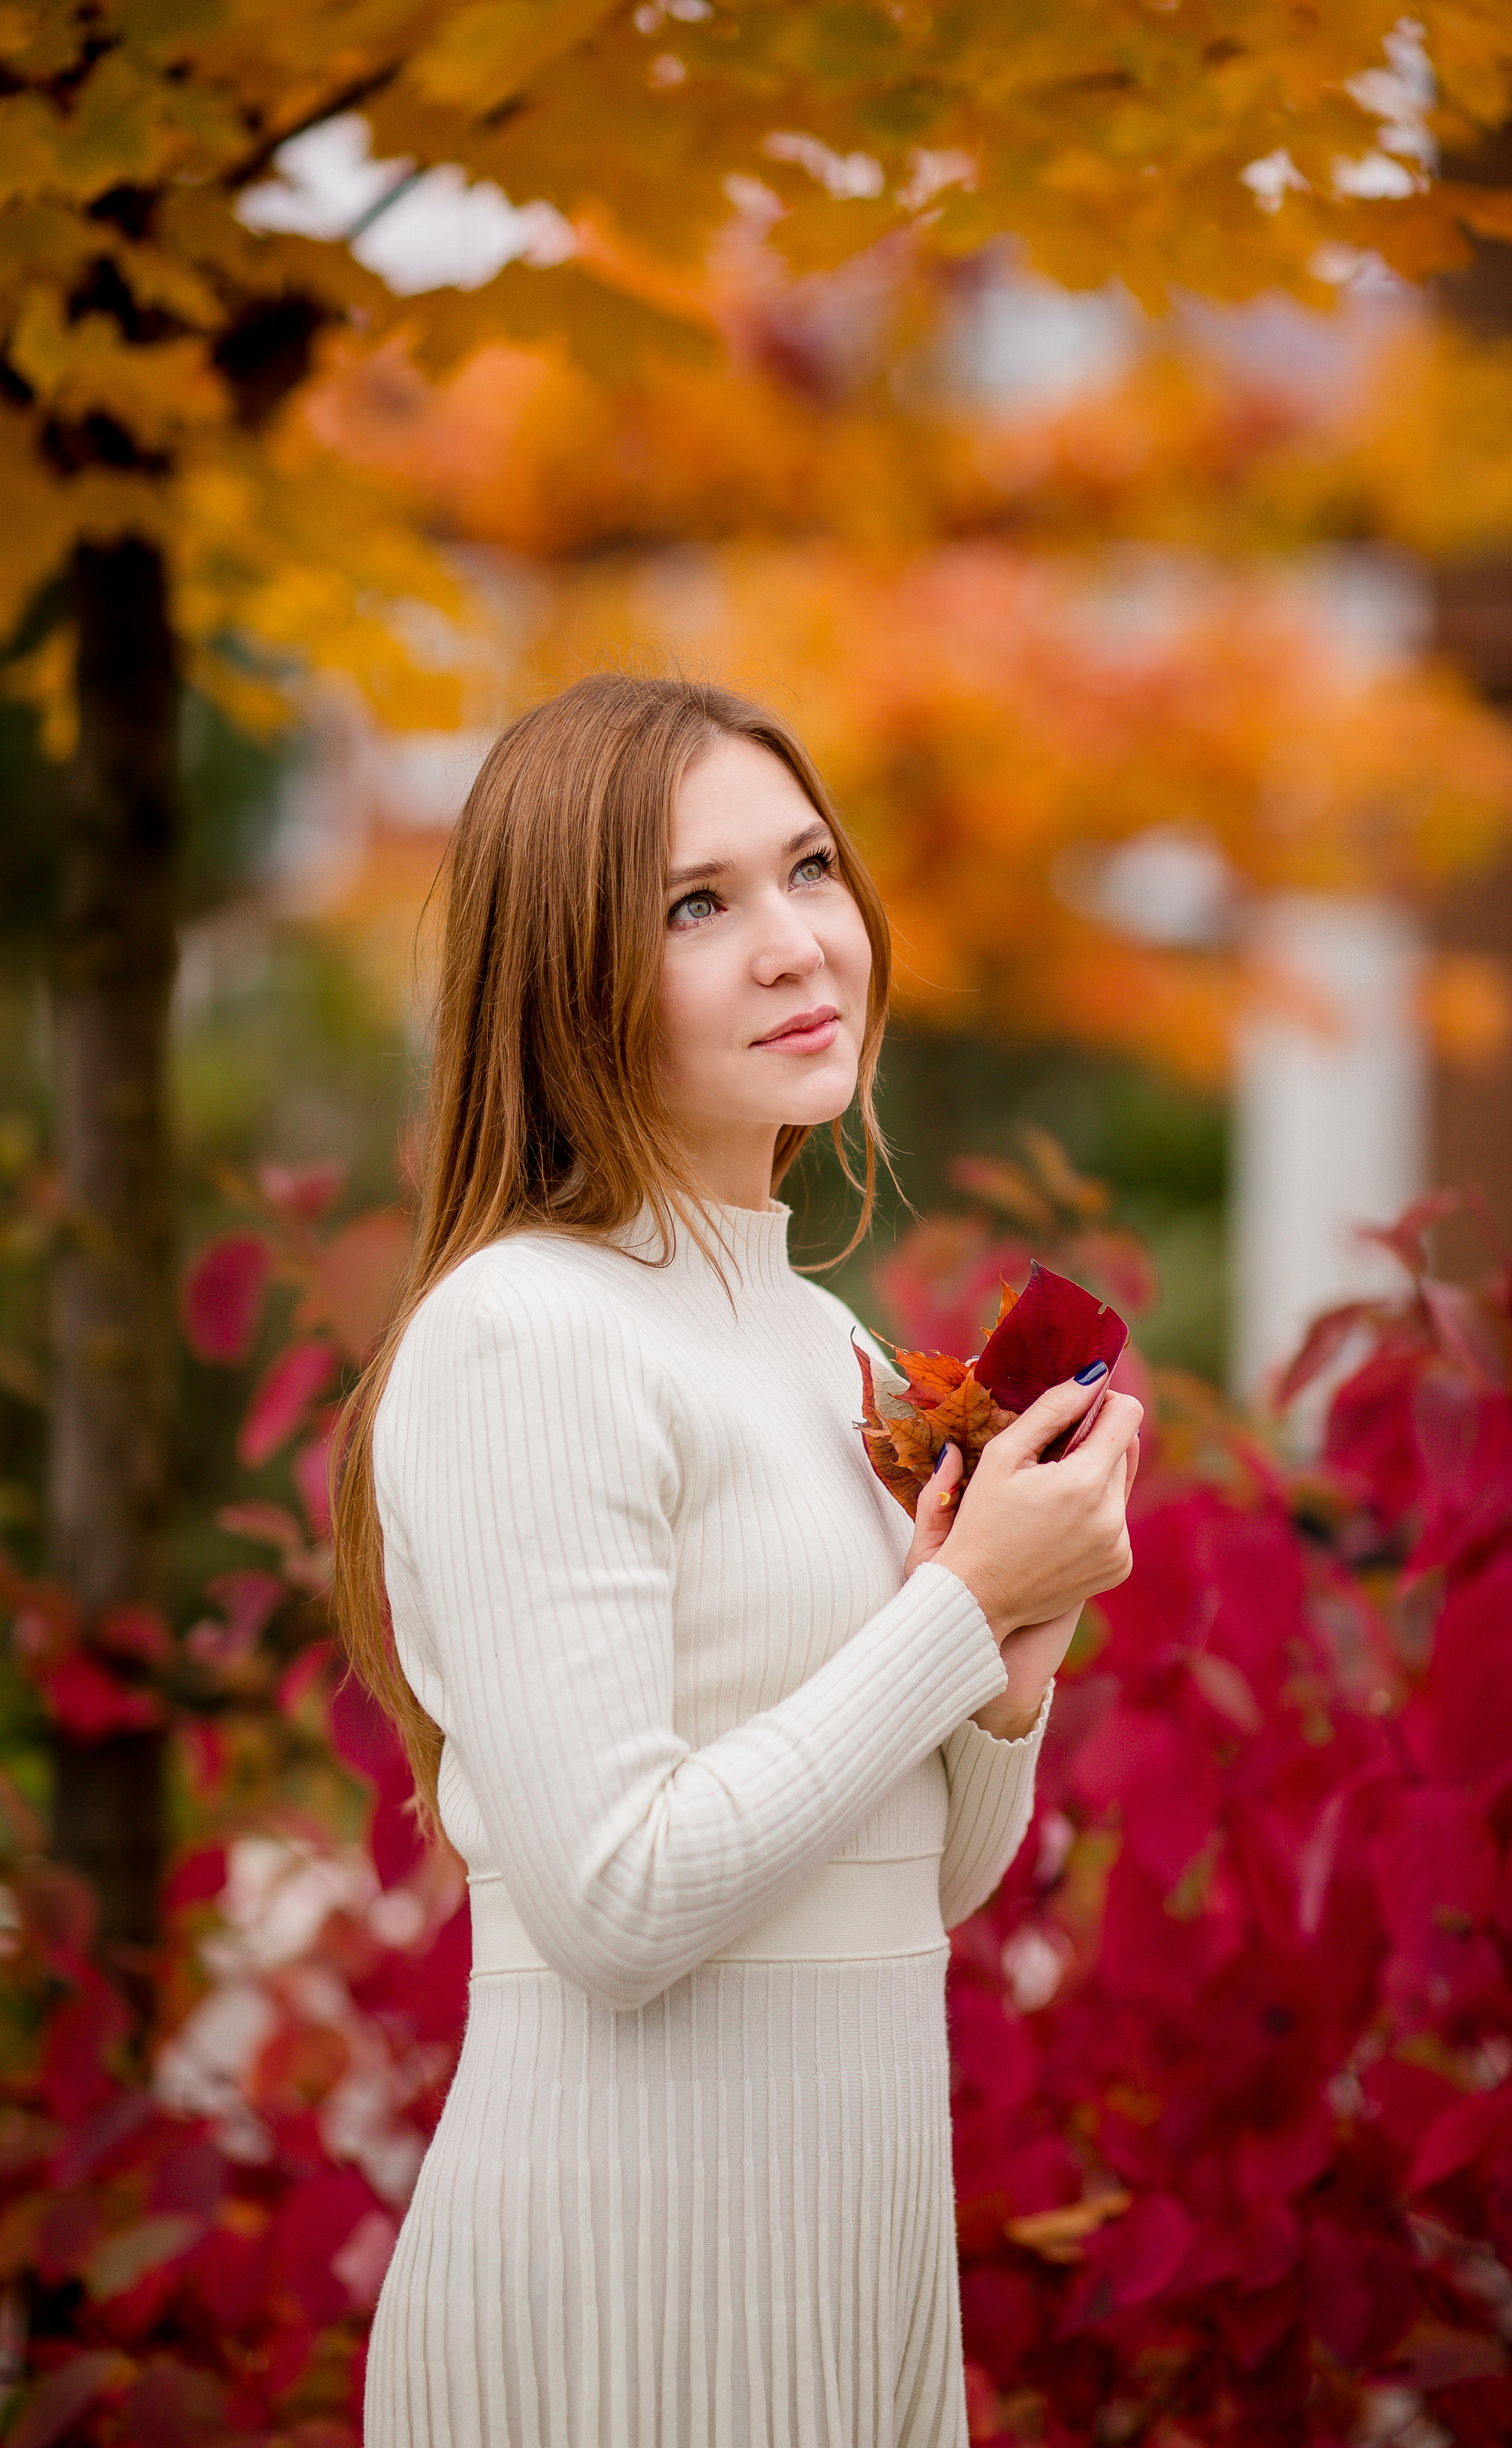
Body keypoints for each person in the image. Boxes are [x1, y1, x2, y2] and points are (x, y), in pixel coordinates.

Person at [333, 673, 1142, 2448]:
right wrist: (950, 1608)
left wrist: (1012, 1670)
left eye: (811, 871)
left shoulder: (832, 1347)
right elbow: (622, 1909)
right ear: (567, 977)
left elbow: (912, 1887)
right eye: (699, 904)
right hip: (620, 2307)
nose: (795, 945)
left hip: (845, 2290)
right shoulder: (528, 1333)